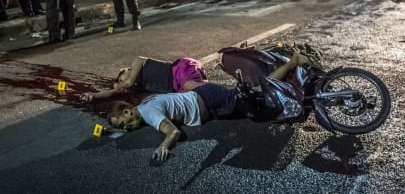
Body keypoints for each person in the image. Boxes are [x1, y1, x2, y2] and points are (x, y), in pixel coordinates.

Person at [106, 51, 310, 161]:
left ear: (127, 111)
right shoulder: (145, 104)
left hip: (211, 101)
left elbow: (173, 133)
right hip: (204, 95)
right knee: (253, 93)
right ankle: (290, 68)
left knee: (258, 95)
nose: (125, 128)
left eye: (123, 124)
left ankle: (293, 63)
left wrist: (163, 147)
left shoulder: (149, 113)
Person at [80, 56, 208, 102]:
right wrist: (94, 95)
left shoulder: (138, 62)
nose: (122, 83)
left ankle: (225, 90)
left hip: (180, 70)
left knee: (190, 87)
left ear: (125, 70)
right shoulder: (138, 86)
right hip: (177, 87)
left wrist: (120, 85)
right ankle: (216, 93)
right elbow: (115, 91)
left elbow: (128, 82)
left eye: (121, 79)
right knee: (194, 98)